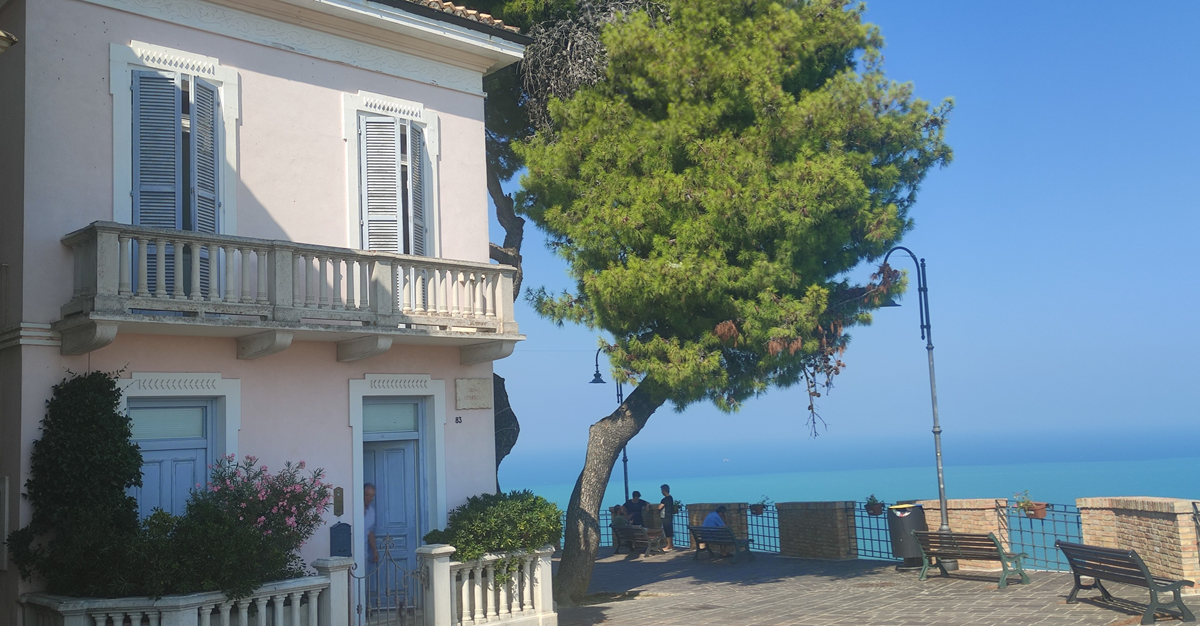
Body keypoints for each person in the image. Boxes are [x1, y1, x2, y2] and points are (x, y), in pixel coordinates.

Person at [657, 484, 676, 551]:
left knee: (667, 530)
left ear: (664, 490)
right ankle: (671, 544)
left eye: (662, 490)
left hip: (665, 516)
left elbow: (659, 507)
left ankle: (669, 545)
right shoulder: (670, 498)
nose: (661, 492)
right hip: (670, 515)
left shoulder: (664, 500)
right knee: (670, 530)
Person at [364, 483, 379, 564]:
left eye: (372, 496)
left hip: (365, 553)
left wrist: (374, 551)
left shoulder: (371, 511)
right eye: (368, 495)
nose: (370, 498)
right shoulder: (353, 509)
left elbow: (370, 532)